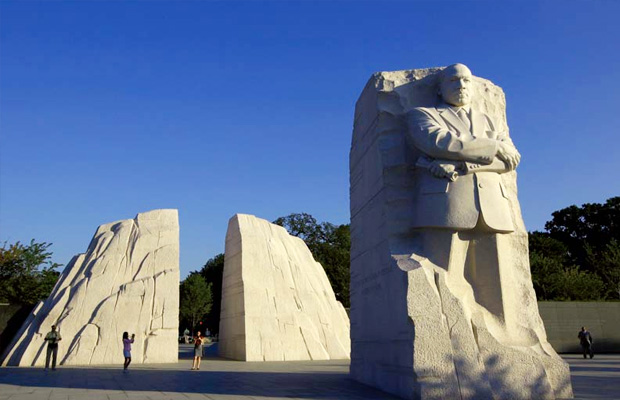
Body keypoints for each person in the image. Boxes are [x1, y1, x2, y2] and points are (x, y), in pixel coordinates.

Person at [406, 63, 522, 318]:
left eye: (466, 81)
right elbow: (440, 142)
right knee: (445, 278)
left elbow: (510, 160)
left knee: (498, 286)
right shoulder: (422, 115)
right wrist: (493, 147)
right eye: (453, 81)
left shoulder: (491, 121)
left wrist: (460, 164)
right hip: (447, 206)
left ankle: (503, 337)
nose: (461, 86)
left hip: (493, 206)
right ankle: (452, 337)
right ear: (439, 89)